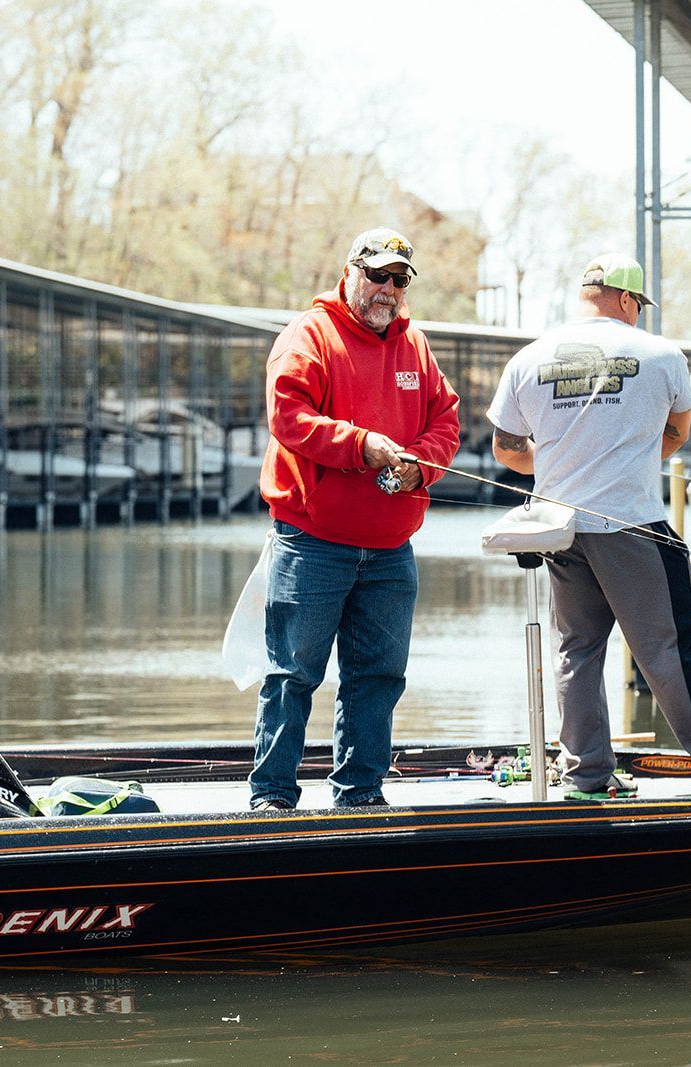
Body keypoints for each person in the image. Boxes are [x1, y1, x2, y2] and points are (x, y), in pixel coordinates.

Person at [486, 253, 691, 800]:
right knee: (669, 650)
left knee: (577, 651)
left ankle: (588, 778)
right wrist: (631, 453)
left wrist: (556, 460)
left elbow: (507, 447)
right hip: (635, 525)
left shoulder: (528, 359)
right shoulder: (661, 354)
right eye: (638, 304)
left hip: (560, 528)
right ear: (625, 298)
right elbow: (677, 432)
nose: (639, 313)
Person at [249, 227, 460, 810]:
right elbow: (288, 417)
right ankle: (271, 797)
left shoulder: (414, 345)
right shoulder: (308, 336)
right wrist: (359, 445)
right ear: (351, 272)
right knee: (292, 675)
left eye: (399, 279)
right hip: (312, 545)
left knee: (378, 680)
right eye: (378, 275)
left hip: (392, 551)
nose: (387, 289)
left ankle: (360, 793)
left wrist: (424, 470)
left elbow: (445, 419)